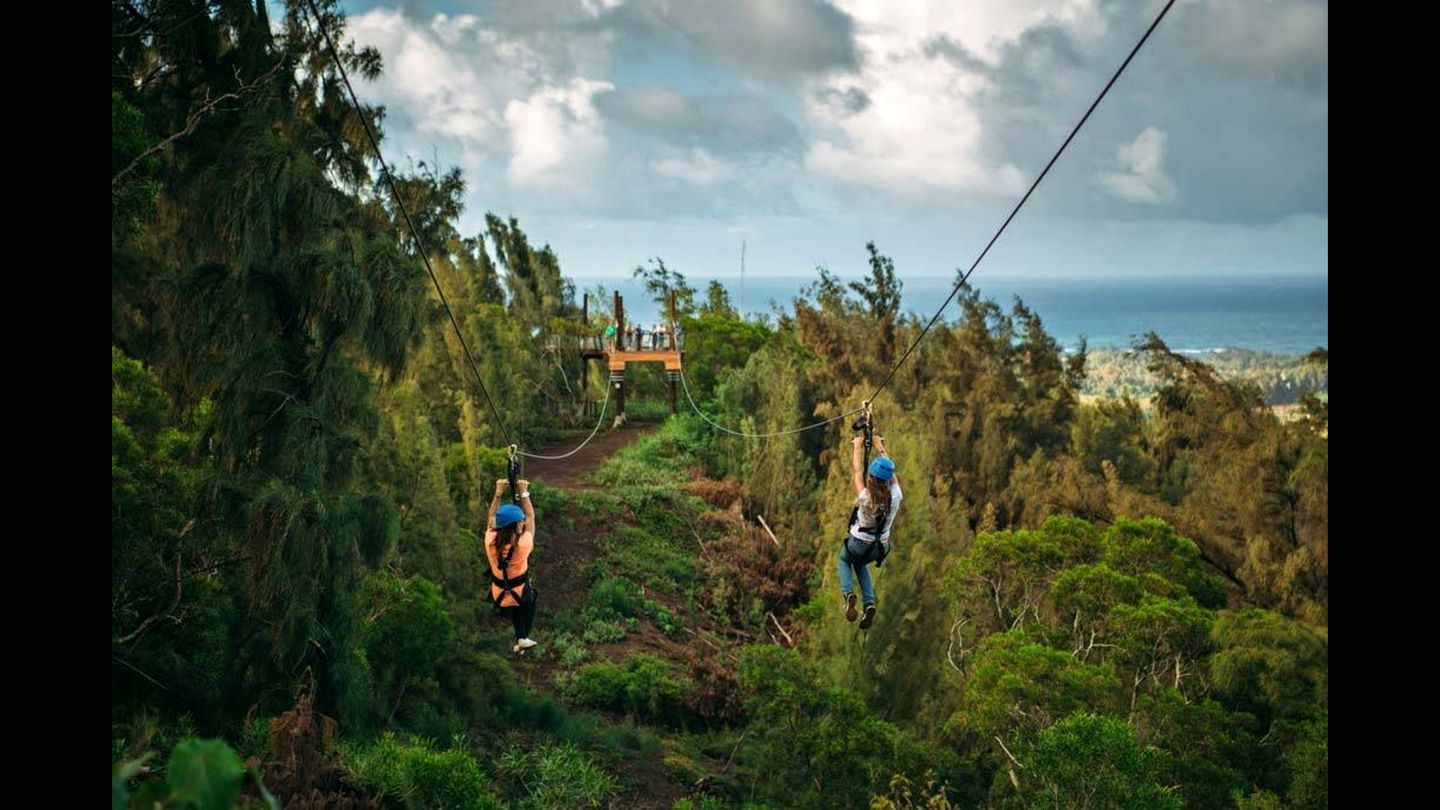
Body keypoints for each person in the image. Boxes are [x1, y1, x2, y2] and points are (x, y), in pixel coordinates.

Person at [837, 434, 901, 629]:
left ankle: (848, 594)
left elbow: (857, 471)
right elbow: (891, 472)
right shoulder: (896, 496)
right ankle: (869, 603)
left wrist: (857, 446)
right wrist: (878, 445)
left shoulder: (865, 497)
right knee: (861, 565)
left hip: (859, 543)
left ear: (871, 478)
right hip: (880, 546)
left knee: (844, 559)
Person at [485, 477, 538, 653]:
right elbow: (530, 517)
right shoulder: (523, 545)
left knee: (516, 607)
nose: (523, 523)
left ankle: (521, 639)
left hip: (498, 594)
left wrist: (498, 493)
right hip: (521, 594)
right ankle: (523, 638)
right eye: (520, 522)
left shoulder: (490, 541)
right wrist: (524, 492)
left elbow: (492, 517)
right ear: (516, 525)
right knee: (529, 602)